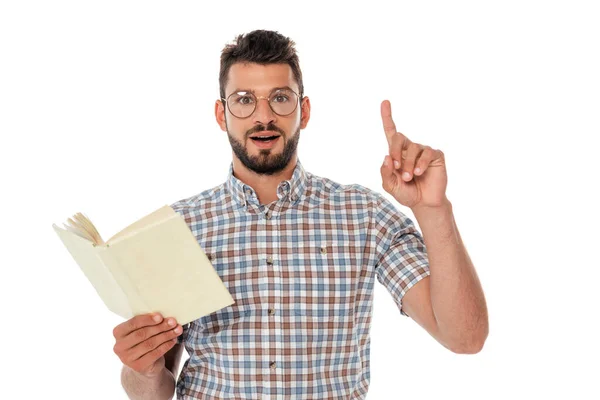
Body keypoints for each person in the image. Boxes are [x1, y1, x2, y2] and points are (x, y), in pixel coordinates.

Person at [113, 29, 489, 400]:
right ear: (221, 113)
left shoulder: (365, 215)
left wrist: (433, 210)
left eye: (280, 98)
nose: (264, 116)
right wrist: (140, 369)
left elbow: (465, 337)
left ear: (304, 111)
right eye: (244, 100)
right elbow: (152, 391)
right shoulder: (177, 227)